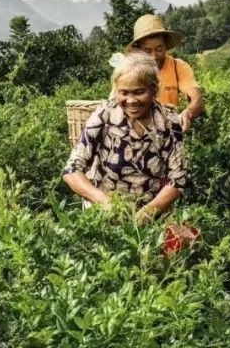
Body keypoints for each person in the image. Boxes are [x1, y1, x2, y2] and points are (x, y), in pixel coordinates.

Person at [63, 51, 190, 224]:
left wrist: (147, 214)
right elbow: (71, 169)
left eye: (139, 92)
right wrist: (105, 203)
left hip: (153, 218)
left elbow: (178, 177)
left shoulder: (169, 121)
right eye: (124, 92)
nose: (131, 101)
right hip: (104, 215)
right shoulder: (105, 115)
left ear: (154, 89)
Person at [129, 14, 205, 132]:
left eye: (159, 49)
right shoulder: (129, 71)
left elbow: (196, 98)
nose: (154, 56)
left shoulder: (177, 66)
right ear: (138, 50)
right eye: (147, 51)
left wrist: (187, 113)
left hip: (168, 131)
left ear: (166, 46)